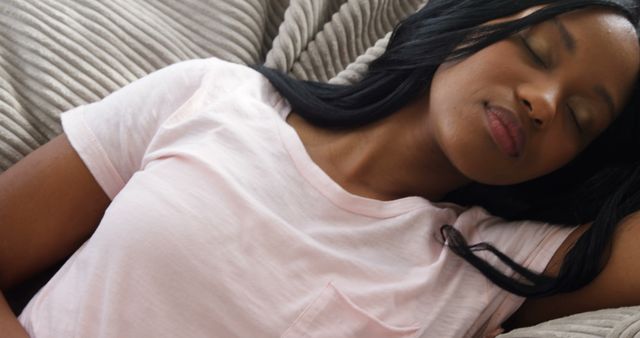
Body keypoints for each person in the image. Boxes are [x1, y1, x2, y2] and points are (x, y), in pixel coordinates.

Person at [0, 0, 638, 337]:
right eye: (538, 48)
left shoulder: (495, 264)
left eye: (580, 118)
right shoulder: (213, 98)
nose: (544, 102)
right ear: (473, 18)